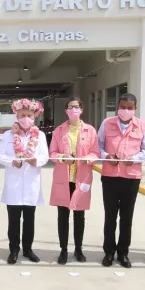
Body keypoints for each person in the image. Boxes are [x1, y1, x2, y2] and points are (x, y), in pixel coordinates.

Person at [97, 93, 145, 268]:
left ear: (135, 109)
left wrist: (136, 158)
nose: (126, 110)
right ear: (117, 107)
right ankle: (108, 252)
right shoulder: (107, 124)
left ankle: (123, 253)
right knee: (110, 216)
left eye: (130, 107)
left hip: (131, 178)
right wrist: (107, 155)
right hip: (110, 177)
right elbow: (97, 146)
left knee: (126, 217)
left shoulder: (142, 125)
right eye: (122, 107)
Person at [49, 97, 100, 265]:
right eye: (70, 107)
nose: (73, 110)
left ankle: (78, 249)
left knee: (79, 215)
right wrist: (63, 158)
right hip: (64, 179)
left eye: (76, 107)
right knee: (62, 216)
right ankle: (63, 250)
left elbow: (96, 153)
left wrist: (86, 159)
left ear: (81, 110)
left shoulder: (90, 131)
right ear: (66, 110)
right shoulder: (59, 131)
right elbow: (53, 153)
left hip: (81, 178)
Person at [0, 98, 49, 264]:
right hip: (14, 183)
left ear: (34, 117)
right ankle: (13, 250)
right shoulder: (8, 135)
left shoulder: (39, 135)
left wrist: (36, 161)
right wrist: (12, 161)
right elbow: (0, 156)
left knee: (29, 219)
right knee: (13, 221)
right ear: (17, 116)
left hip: (31, 183)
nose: (26, 118)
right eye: (23, 115)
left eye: (29, 115)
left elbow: (45, 156)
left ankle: (28, 249)